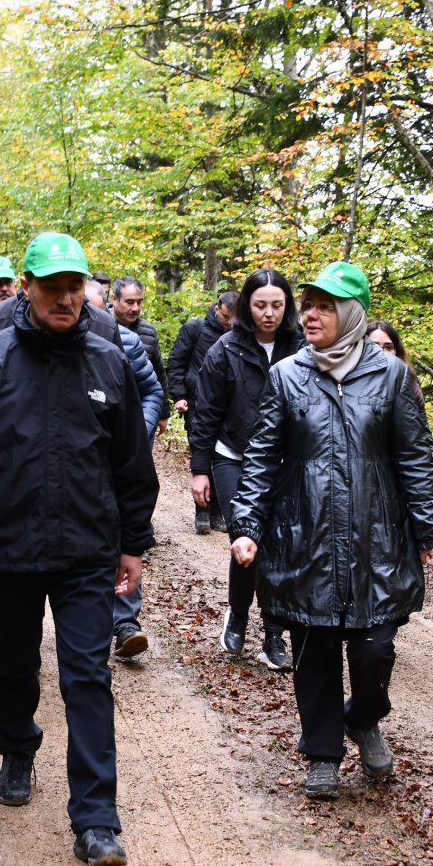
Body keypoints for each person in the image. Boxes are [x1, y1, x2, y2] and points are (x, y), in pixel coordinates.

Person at [0, 232, 158, 866]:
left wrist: (132, 543)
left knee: (87, 675)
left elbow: (134, 465)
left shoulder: (109, 363)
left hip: (87, 551)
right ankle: (17, 746)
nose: (65, 298)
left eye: (75, 286)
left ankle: (97, 820)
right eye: (52, 286)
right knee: (17, 665)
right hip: (11, 547)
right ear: (26, 287)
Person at [229, 262, 433, 801]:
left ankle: (364, 717)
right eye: (309, 304)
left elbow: (416, 457)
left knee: (375, 649)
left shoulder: (391, 376)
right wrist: (247, 524)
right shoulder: (288, 375)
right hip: (305, 530)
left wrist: (431, 528)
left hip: (377, 533)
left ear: (351, 312)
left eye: (325, 306)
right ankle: (323, 753)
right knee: (315, 646)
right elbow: (260, 457)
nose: (310, 314)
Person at [190, 269, 303, 671]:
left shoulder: (302, 347)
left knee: (276, 544)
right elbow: (206, 413)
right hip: (232, 456)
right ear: (245, 306)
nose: (268, 313)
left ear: (287, 306)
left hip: (286, 463)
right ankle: (238, 615)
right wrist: (199, 468)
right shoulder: (225, 349)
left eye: (277, 305)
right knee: (246, 539)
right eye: (259, 305)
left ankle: (273, 633)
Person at [84, 280, 164, 660]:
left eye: (97, 310)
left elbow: (152, 392)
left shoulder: (127, 344)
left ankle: (126, 622)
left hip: (121, 462)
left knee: (128, 532)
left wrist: (139, 430)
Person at [167, 292, 238, 533]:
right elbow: (176, 362)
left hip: (228, 407)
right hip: (197, 402)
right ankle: (202, 513)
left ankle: (218, 511)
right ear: (217, 308)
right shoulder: (194, 329)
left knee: (223, 458)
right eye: (226, 317)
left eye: (234, 318)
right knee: (203, 456)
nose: (229, 323)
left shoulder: (240, 335)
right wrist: (179, 396)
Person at [110, 277, 167, 435]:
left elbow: (159, 373)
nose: (135, 308)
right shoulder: (99, 326)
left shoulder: (148, 331)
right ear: (114, 299)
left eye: (139, 302)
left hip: (141, 414)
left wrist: (163, 414)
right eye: (129, 302)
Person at [367, 319, 424, 399]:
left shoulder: (408, 380)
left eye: (388, 347)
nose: (381, 352)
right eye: (374, 346)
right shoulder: (349, 378)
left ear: (396, 351)